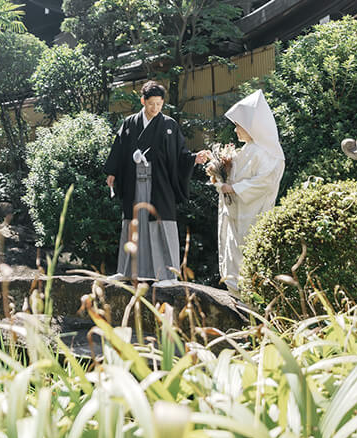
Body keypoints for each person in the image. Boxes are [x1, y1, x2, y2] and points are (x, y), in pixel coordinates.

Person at [104, 81, 209, 281]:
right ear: (143, 100)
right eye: (151, 103)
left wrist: (193, 158)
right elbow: (118, 149)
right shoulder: (130, 123)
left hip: (159, 183)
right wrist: (112, 172)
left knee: (161, 224)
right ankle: (127, 271)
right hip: (134, 182)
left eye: (159, 104)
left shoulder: (169, 125)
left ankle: (168, 276)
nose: (155, 108)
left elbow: (180, 154)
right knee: (132, 222)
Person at [216, 89, 285, 292]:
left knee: (249, 251)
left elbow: (265, 181)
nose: (236, 130)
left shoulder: (267, 152)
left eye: (238, 126)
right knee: (235, 251)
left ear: (250, 127)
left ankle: (249, 293)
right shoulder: (248, 148)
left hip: (253, 211)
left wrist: (234, 188)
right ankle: (236, 290)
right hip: (237, 211)